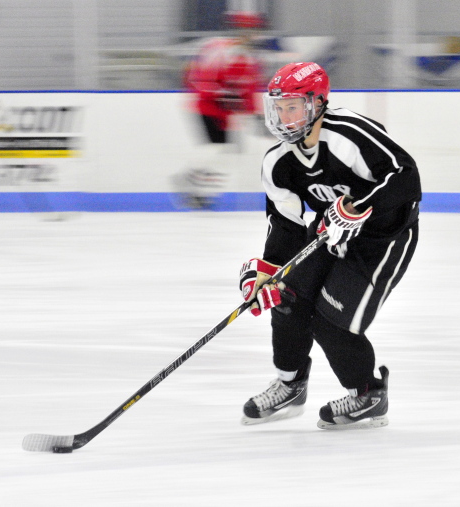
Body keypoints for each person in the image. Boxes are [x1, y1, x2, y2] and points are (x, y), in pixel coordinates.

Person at [238, 61, 421, 430]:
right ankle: (290, 384)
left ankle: (368, 393)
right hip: (331, 231)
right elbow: (286, 223)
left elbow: (406, 177)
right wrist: (269, 270)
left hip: (382, 238)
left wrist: (361, 207)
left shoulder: (348, 135)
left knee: (331, 318)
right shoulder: (277, 162)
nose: (284, 117)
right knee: (286, 293)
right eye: (279, 107)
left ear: (317, 103)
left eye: (293, 106)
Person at [176, 10, 265, 209]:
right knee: (219, 149)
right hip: (207, 107)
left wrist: (254, 113)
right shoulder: (218, 49)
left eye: (254, 31)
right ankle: (194, 182)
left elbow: (249, 88)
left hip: (224, 112)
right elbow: (199, 78)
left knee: (228, 152)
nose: (252, 35)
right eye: (248, 31)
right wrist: (219, 96)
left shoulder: (250, 57)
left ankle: (200, 189)